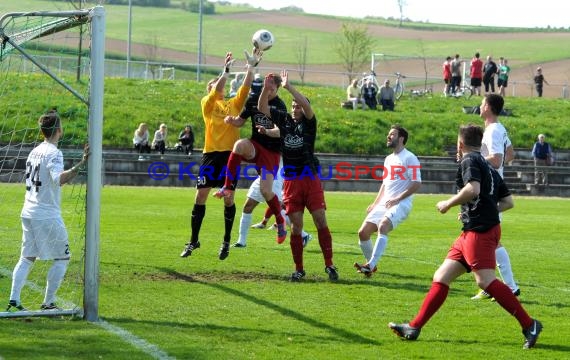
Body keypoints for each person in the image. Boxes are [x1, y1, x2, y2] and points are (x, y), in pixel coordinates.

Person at [388, 124, 542, 350]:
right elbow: (508, 202)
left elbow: (473, 190)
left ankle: (530, 324)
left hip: (479, 231)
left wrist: (448, 204)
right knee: (441, 276)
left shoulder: (469, 161)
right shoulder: (488, 166)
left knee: (485, 281)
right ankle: (414, 326)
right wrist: (484, 209)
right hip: (474, 230)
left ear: (460, 144)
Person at [179, 49, 261, 261]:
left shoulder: (232, 104)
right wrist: (225, 72)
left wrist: (251, 68)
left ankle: (226, 241)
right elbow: (215, 91)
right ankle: (194, 240)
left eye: (216, 85)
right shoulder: (207, 105)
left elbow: (245, 87)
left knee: (229, 198)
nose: (215, 88)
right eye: (212, 86)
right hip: (210, 155)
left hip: (230, 156)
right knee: (200, 196)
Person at [258, 69, 338, 282]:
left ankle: (329, 265)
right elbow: (262, 108)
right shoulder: (283, 121)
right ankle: (299, 269)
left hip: (310, 178)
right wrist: (266, 90)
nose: (295, 108)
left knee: (321, 220)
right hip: (292, 181)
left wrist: (288, 87)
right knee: (296, 227)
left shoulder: (309, 123)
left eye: (298, 106)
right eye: (293, 105)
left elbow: (307, 106)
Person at [6, 110, 90, 312]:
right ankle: (49, 303)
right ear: (59, 130)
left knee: (27, 257)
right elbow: (58, 179)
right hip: (46, 214)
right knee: (62, 257)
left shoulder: (35, 151)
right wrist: (82, 163)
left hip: (28, 210)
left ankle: (14, 300)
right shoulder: (54, 152)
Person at [215, 69, 288, 245]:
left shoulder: (280, 106)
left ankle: (280, 220)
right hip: (255, 146)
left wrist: (268, 131)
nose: (269, 90)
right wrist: (233, 121)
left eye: (272, 88)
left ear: (277, 89)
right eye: (267, 86)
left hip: (271, 152)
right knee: (239, 145)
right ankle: (227, 187)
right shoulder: (253, 99)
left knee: (266, 191)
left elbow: (281, 132)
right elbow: (241, 120)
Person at [353, 125, 421, 277]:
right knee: (363, 233)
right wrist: (375, 203)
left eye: (392, 134)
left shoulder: (410, 158)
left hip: (401, 203)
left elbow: (417, 183)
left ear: (401, 138)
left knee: (383, 226)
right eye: (389, 134)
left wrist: (398, 198)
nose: (388, 137)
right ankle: (370, 264)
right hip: (385, 203)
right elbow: (385, 184)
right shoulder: (388, 159)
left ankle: (370, 265)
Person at [472, 93, 520, 300]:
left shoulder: (492, 131)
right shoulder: (500, 128)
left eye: (482, 103)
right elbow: (511, 154)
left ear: (489, 108)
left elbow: (498, 159)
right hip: (493, 186)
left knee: (489, 239)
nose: (480, 106)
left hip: (488, 188)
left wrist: (473, 159)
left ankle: (509, 286)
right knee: (487, 239)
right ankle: (491, 283)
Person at [233, 159, 312, 249]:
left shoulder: (281, 145)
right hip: (264, 173)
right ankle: (241, 241)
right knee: (248, 206)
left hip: (275, 174)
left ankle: (303, 235)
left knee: (277, 208)